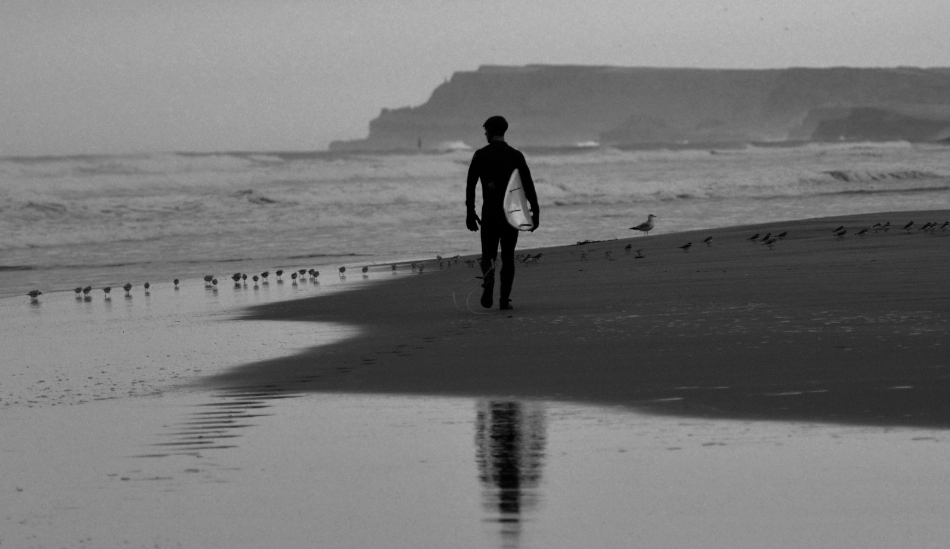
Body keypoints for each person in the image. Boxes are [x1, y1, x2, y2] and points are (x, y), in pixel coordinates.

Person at [465, 116, 540, 310]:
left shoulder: (480, 155)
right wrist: (535, 210)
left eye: (485, 131)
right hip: (511, 212)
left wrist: (470, 211)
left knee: (487, 254)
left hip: (489, 211)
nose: (484, 134)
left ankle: (488, 279)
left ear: (490, 131)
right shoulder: (515, 155)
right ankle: (504, 300)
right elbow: (528, 184)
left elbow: (471, 184)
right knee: (508, 256)